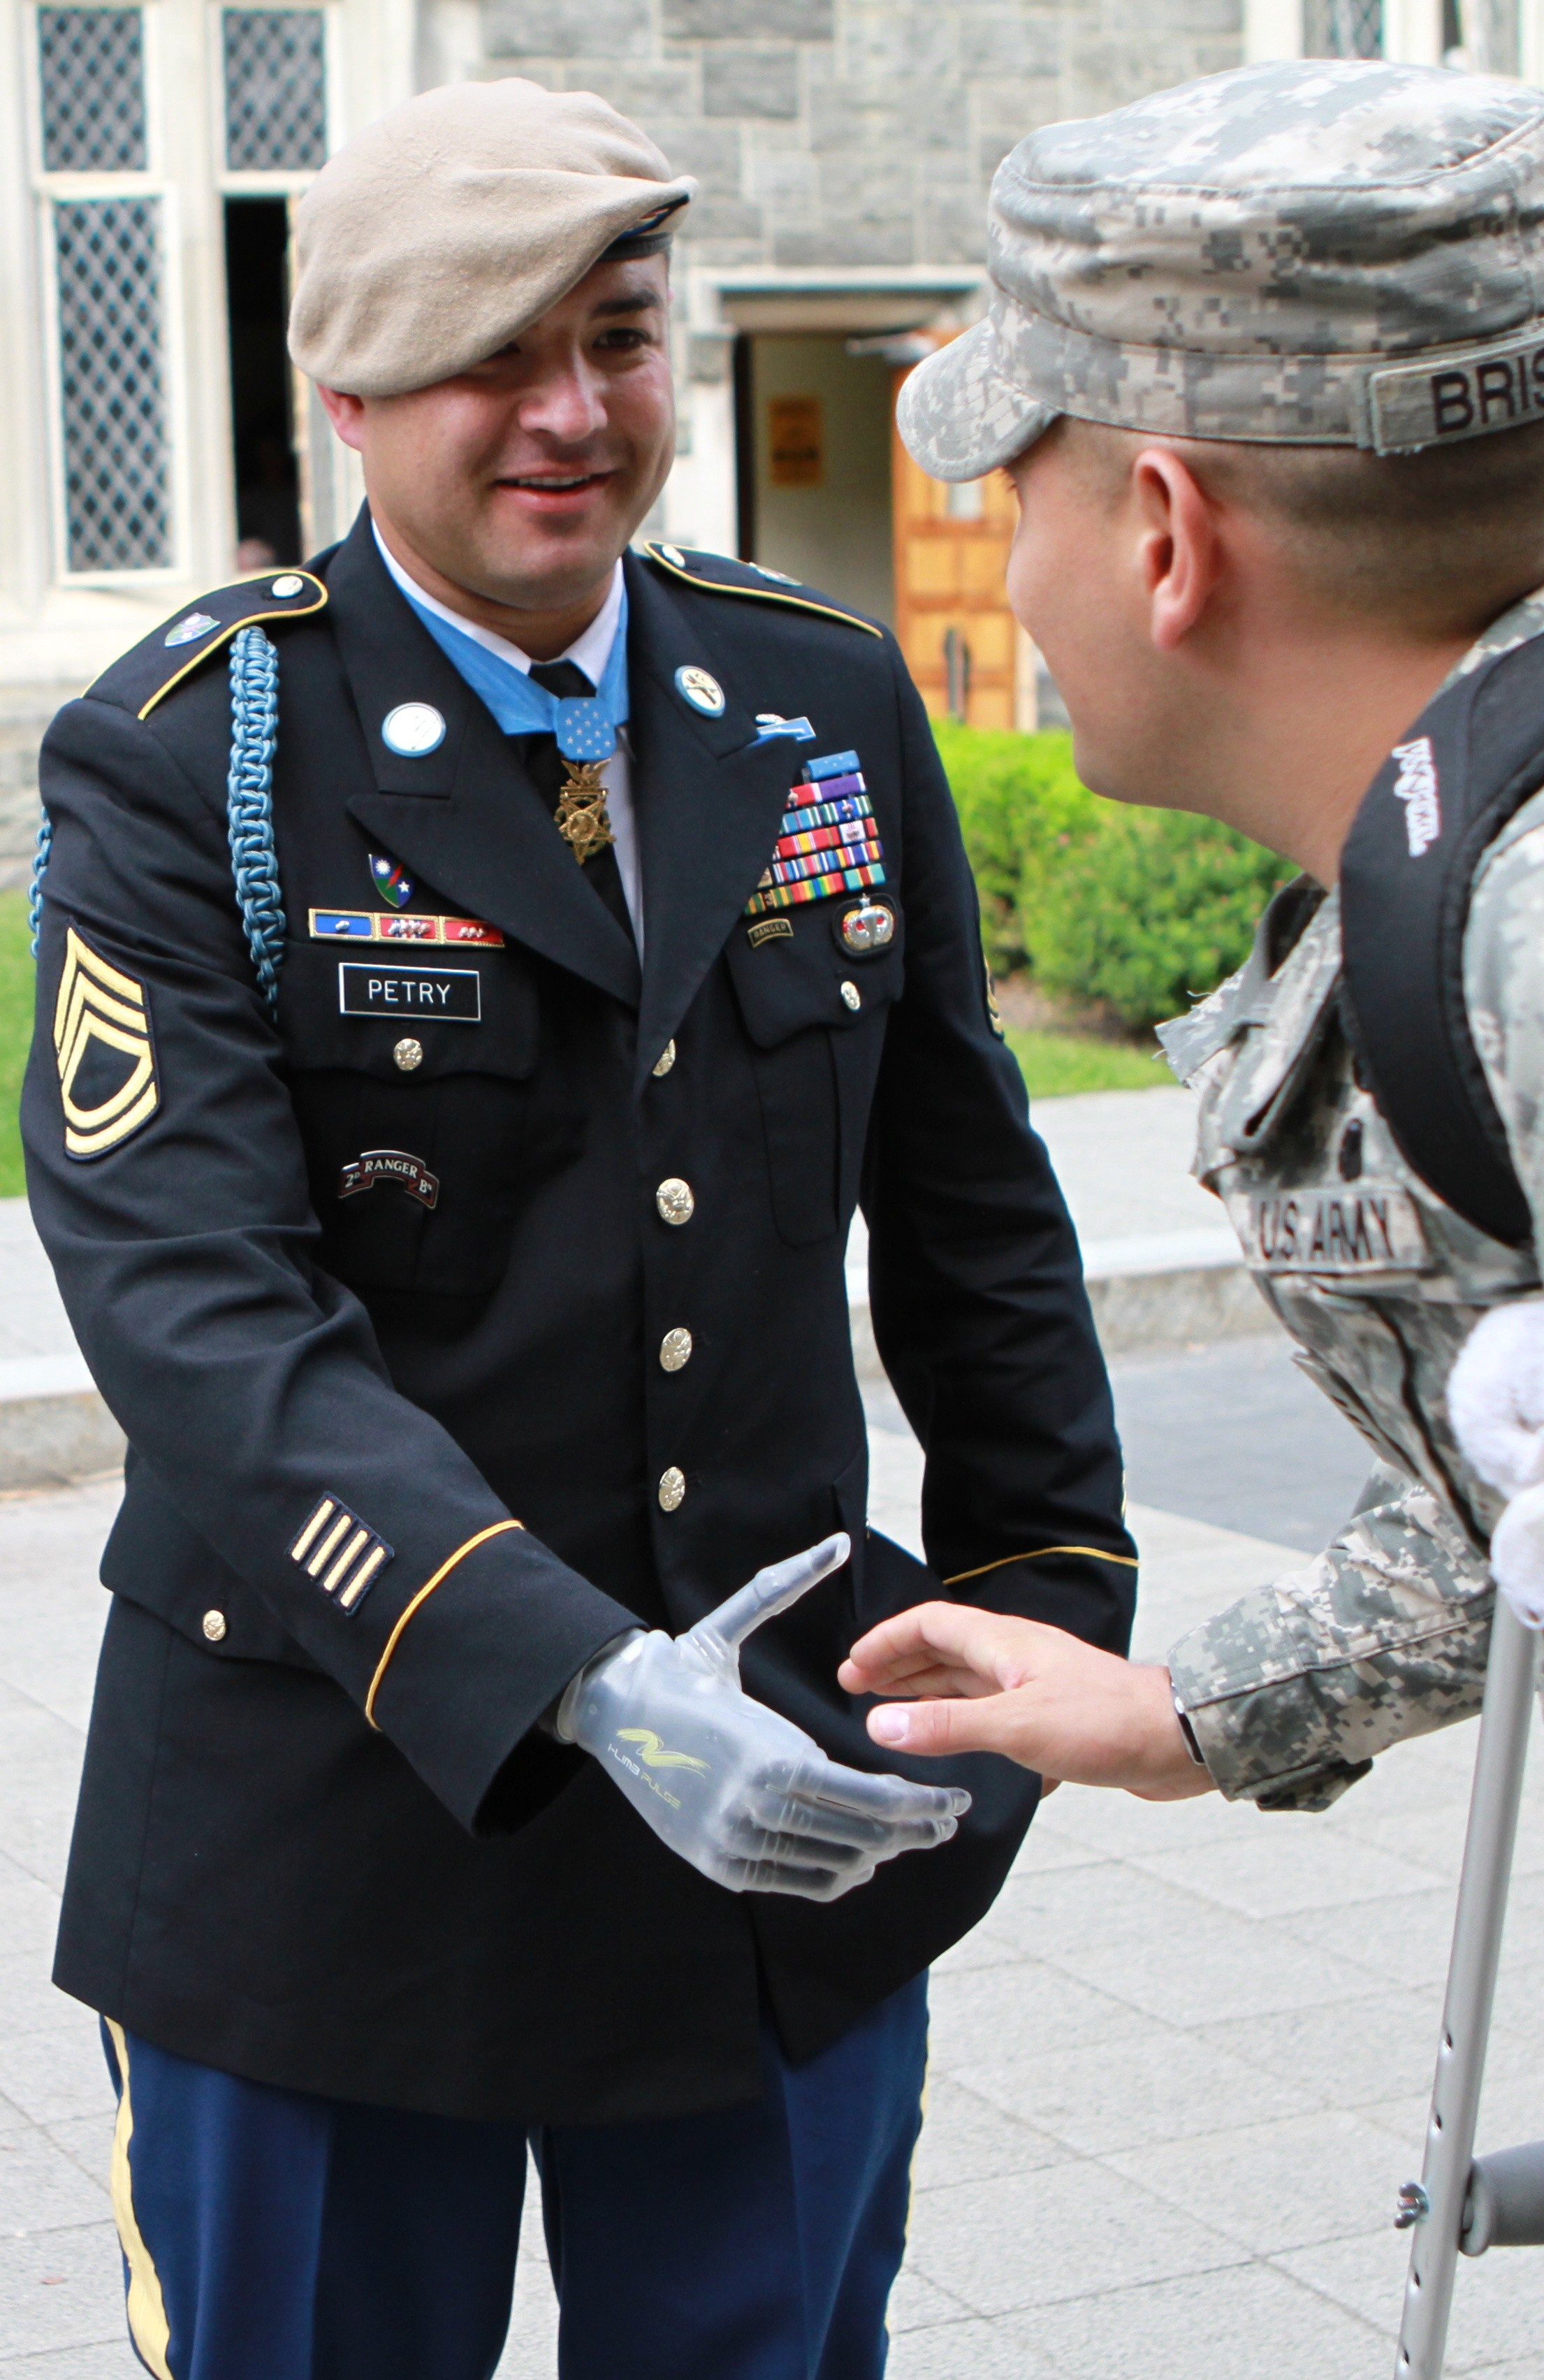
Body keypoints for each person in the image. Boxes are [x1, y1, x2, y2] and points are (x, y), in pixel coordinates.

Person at [22, 78, 1137, 2380]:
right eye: (486, 354)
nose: (569, 412)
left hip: (769, 1865)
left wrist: (1042, 1629)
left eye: (618, 338)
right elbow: (199, 1313)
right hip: (329, 1841)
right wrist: (575, 1676)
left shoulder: (814, 693)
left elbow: (975, 1213)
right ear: (342, 392)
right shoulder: (194, 751)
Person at [840, 56, 1544, 2005]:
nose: (1008, 577)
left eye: (1010, 493)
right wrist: (1195, 1709)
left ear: (1163, 531)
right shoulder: (1495, 867)